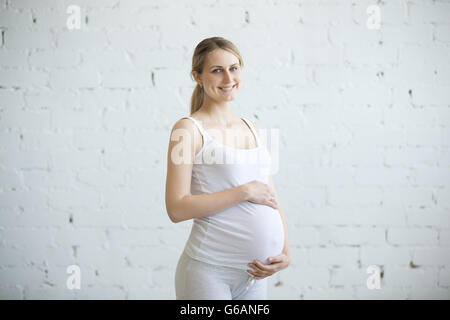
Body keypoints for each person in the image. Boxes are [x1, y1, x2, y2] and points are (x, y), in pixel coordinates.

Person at [165, 37, 290, 300]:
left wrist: (285, 251)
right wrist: (243, 191)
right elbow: (176, 209)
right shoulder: (187, 130)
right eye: (217, 70)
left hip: (255, 275)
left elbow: (271, 196)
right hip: (209, 272)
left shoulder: (254, 129)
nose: (228, 78)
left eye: (234, 68)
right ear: (197, 76)